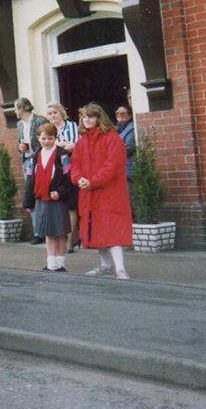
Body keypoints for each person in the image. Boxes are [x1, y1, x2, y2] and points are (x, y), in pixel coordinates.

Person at [70, 102, 133, 280]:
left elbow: (112, 166)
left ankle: (120, 269)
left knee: (112, 230)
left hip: (109, 193)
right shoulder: (81, 142)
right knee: (96, 229)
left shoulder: (112, 138)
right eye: (84, 116)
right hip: (89, 193)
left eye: (90, 116)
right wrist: (79, 178)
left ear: (99, 118)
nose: (86, 119)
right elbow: (75, 165)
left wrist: (92, 181)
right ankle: (105, 265)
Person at [22, 123, 75, 272]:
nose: (46, 141)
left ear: (55, 138)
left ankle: (61, 264)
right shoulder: (33, 158)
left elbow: (69, 178)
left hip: (58, 200)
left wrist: (60, 192)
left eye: (50, 138)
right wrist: (28, 201)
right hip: (41, 199)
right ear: (38, 138)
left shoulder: (63, 155)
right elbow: (29, 180)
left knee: (60, 233)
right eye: (44, 138)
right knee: (48, 233)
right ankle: (51, 263)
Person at [46, 101, 80, 252]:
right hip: (56, 171)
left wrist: (68, 146)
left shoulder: (72, 126)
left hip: (71, 167)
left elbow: (76, 144)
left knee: (71, 205)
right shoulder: (49, 130)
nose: (52, 116)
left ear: (61, 113)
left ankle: (71, 240)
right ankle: (63, 238)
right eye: (50, 113)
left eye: (55, 112)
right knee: (60, 205)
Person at [15, 98, 48, 244]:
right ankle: (38, 233)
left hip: (40, 162)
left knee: (42, 194)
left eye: (16, 108)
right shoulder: (19, 124)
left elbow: (47, 140)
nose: (15, 112)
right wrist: (20, 147)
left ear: (21, 108)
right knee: (31, 195)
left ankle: (47, 230)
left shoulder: (40, 121)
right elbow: (20, 142)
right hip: (27, 162)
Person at [115, 105, 136, 182]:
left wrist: (110, 151)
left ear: (130, 115)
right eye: (117, 113)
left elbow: (128, 147)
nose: (119, 115)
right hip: (119, 169)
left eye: (123, 113)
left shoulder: (133, 128)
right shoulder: (116, 128)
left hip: (129, 169)